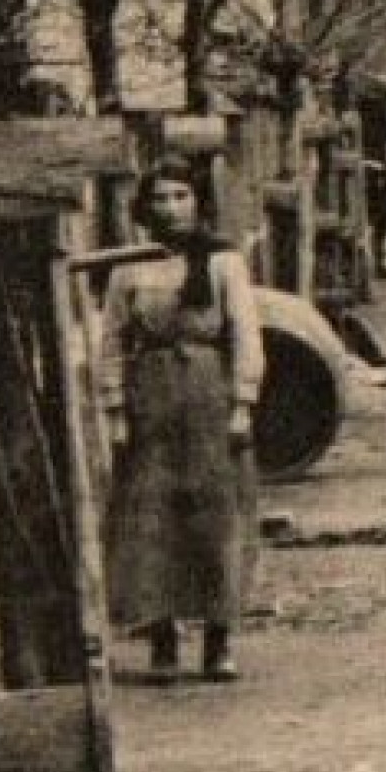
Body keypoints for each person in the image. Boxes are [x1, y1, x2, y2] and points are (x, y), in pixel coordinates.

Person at [99, 156, 266, 684]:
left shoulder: (222, 262)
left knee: (215, 515)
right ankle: (162, 638)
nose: (171, 208)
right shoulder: (130, 266)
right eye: (160, 198)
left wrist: (242, 403)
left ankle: (218, 640)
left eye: (180, 196)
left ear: (197, 202)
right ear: (144, 207)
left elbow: (245, 333)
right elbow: (112, 342)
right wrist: (116, 411)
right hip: (150, 395)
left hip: (208, 390)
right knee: (151, 518)